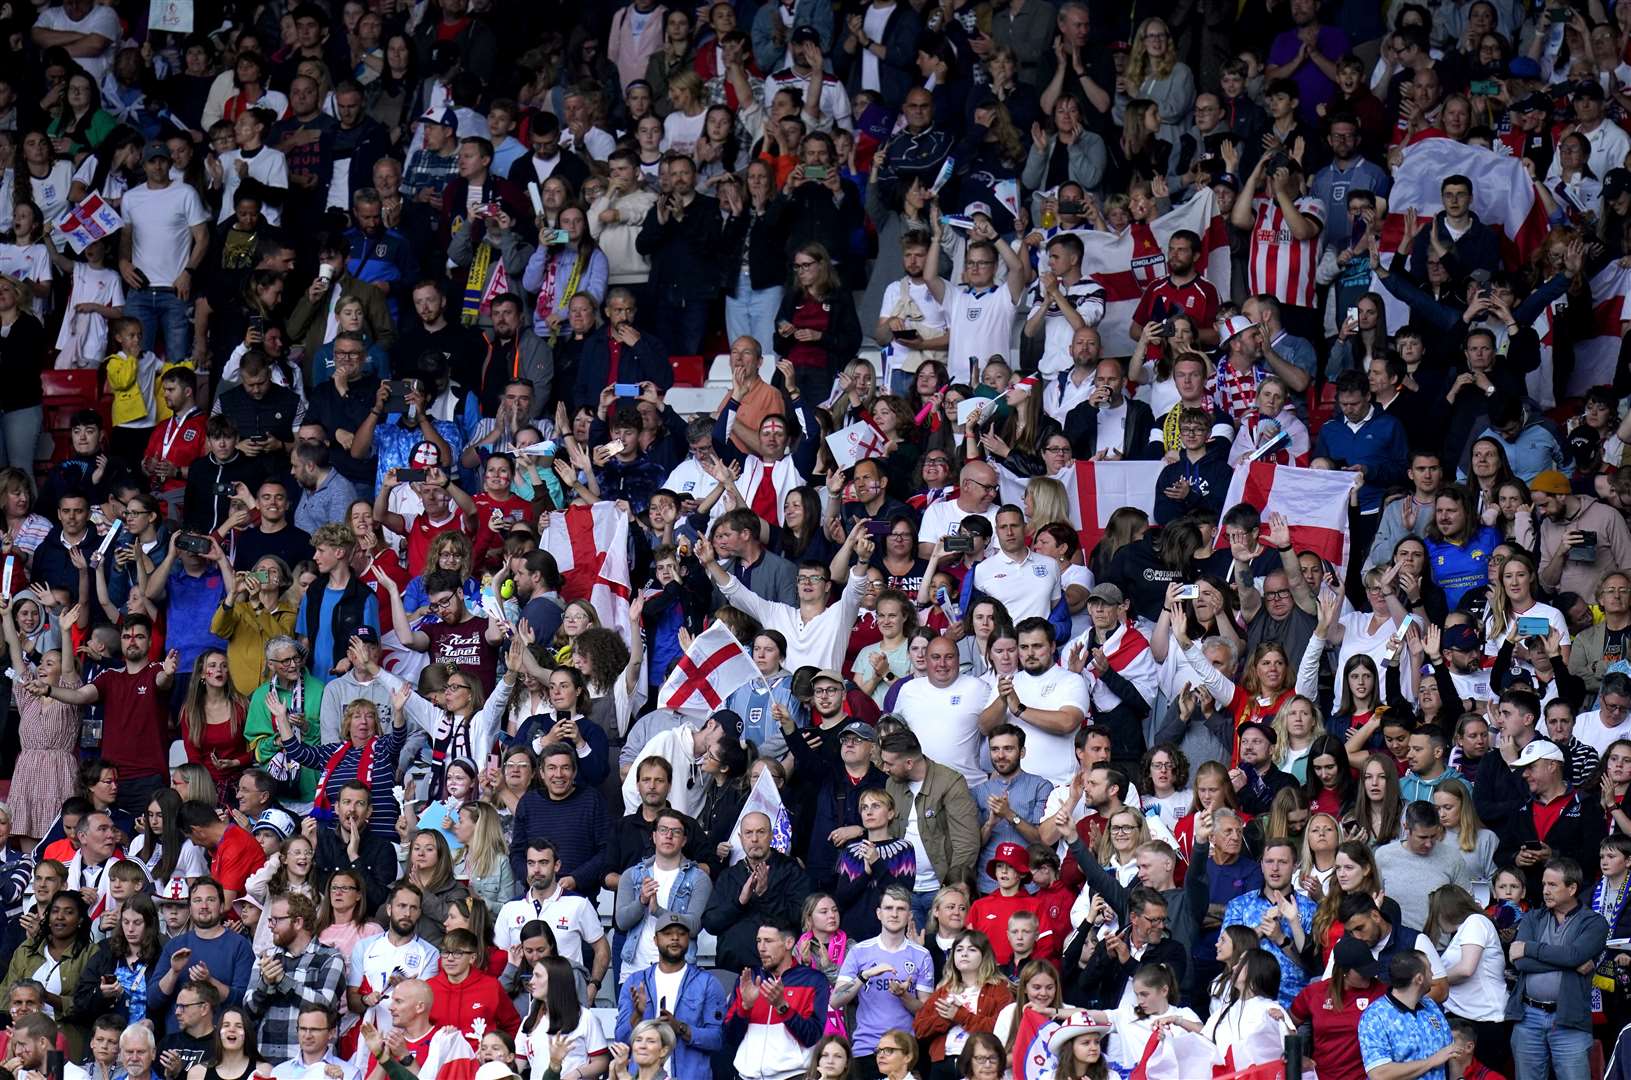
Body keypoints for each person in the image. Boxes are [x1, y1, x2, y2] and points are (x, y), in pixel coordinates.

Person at [614, 913, 727, 1080]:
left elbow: (717, 1039)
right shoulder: (636, 981)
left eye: (681, 934)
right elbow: (621, 1039)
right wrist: (637, 1016)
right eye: (667, 933)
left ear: (688, 939)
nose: (675, 938)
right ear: (655, 940)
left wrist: (681, 1028)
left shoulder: (707, 983)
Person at [723, 920, 829, 1080]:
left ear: (789, 943)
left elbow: (812, 1037)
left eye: (768, 941)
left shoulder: (813, 980)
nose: (761, 948)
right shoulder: (749, 978)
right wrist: (745, 1007)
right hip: (746, 1076)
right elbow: (730, 1038)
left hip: (794, 1076)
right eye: (759, 941)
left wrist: (782, 1007)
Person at [1357, 951, 1464, 1080]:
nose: (1433, 974)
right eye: (1429, 970)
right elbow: (1379, 1074)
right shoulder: (1375, 1017)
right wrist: (1431, 1061)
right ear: (1419, 979)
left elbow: (1450, 1053)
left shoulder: (1430, 1006)